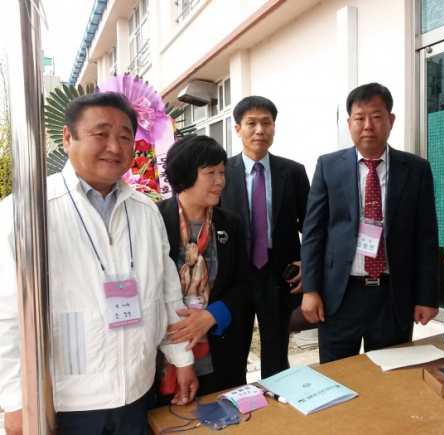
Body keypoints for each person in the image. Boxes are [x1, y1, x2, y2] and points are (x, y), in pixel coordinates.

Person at [0, 93, 197, 435]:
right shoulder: (27, 211)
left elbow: (167, 294)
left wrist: (182, 359)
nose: (114, 146)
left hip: (137, 389)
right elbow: (6, 316)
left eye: (124, 136)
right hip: (65, 401)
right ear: (68, 137)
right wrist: (16, 402)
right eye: (101, 133)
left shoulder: (146, 211)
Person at [301, 82, 439, 364]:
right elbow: (313, 232)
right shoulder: (328, 166)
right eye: (359, 118)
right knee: (338, 374)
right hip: (340, 295)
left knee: (391, 375)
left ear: (391, 120)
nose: (367, 126)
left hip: (393, 295)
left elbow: (425, 237)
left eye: (376, 116)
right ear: (349, 123)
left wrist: (427, 296)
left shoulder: (416, 169)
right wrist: (310, 290)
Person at [219, 96, 310, 378]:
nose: (260, 130)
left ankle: (277, 397)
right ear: (238, 129)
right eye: (251, 123)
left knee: (276, 350)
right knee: (233, 350)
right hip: (236, 275)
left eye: (266, 123)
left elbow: (311, 224)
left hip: (278, 274)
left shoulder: (293, 172)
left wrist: (306, 263)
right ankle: (237, 397)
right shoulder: (221, 172)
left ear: (274, 127)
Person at [156, 135, 251, 398]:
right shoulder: (154, 219)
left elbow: (244, 284)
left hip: (219, 352)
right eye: (210, 173)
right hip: (166, 354)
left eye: (222, 172)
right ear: (185, 175)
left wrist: (211, 316)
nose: (220, 181)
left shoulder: (230, 223)